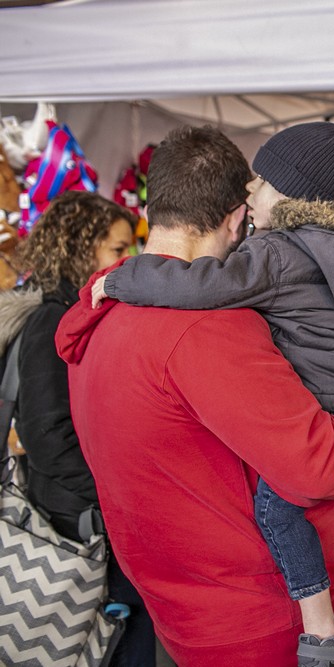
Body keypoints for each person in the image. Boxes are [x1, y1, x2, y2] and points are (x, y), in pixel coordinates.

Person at [54, 125, 334, 667]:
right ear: (238, 217)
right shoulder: (208, 331)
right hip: (260, 619)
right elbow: (320, 466)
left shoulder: (101, 317)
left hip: (175, 608)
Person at [0, 191, 155, 666]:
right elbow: (48, 438)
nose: (126, 259)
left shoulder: (76, 312)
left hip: (84, 515)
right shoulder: (52, 319)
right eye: (116, 248)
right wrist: (119, 495)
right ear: (79, 246)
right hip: (76, 525)